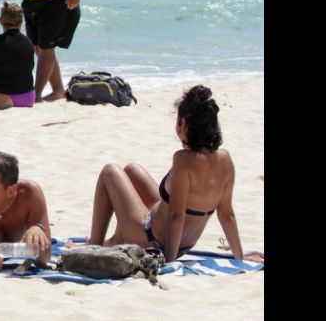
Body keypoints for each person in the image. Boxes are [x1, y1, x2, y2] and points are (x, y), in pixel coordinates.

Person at [84, 85, 264, 264]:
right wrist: (239, 257)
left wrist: (169, 261)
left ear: (184, 123)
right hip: (181, 242)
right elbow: (227, 214)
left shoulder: (183, 161)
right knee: (132, 170)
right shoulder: (225, 159)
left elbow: (177, 216)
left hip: (152, 238)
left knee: (110, 171)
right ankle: (116, 240)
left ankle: (94, 246)